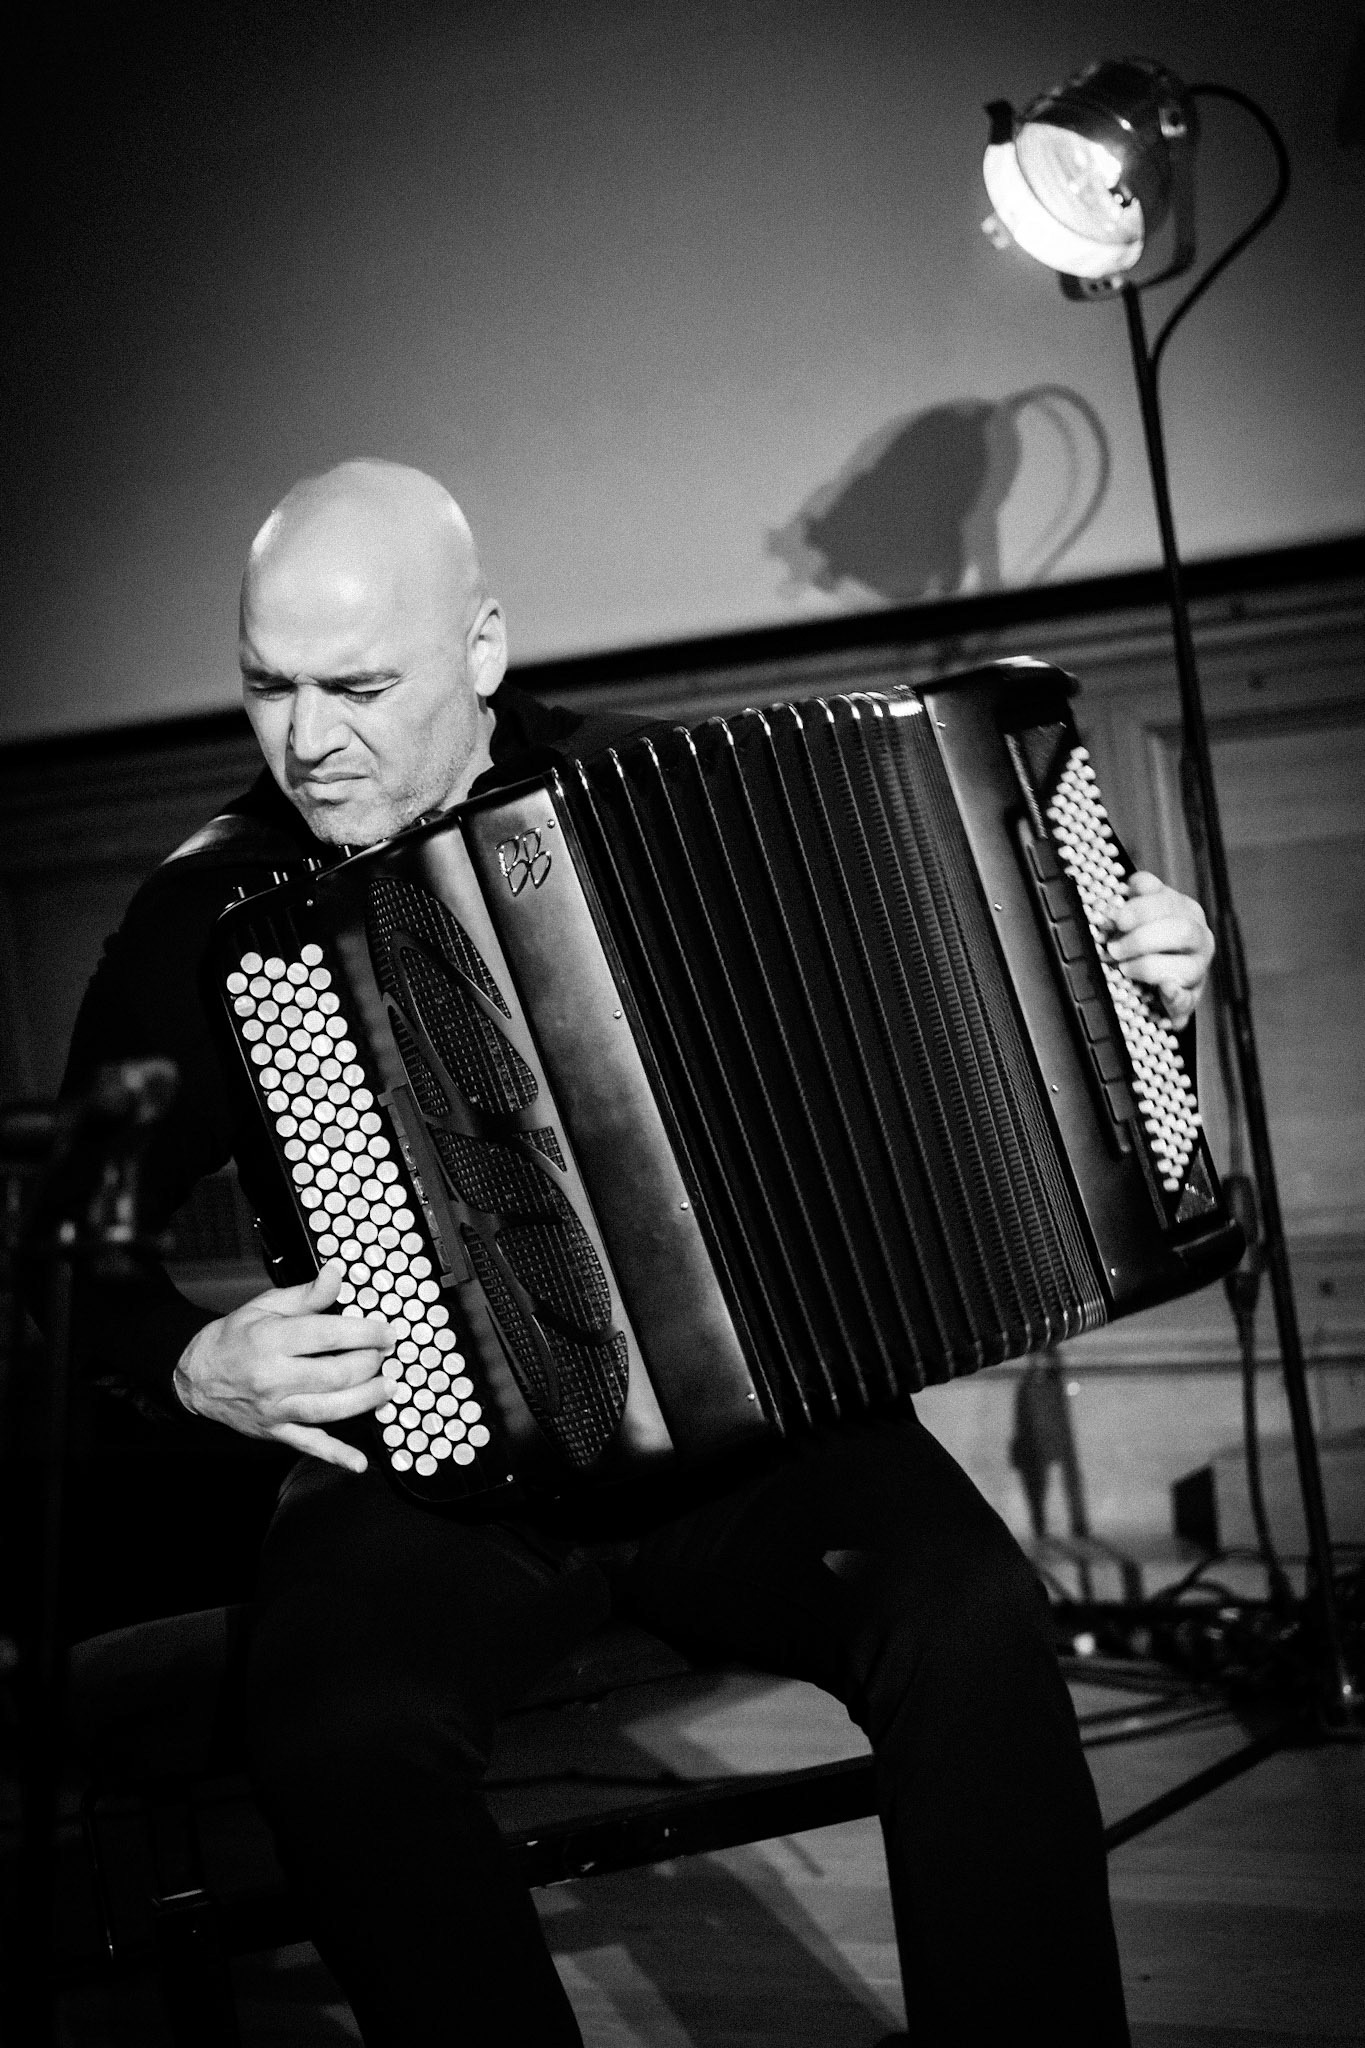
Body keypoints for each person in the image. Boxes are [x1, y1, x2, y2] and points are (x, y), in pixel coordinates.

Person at [65, 459, 1215, 2046]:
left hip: (754, 1442)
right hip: (438, 1475)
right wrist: (190, 1358)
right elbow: (68, 1249)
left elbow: (953, 1006)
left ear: (480, 649)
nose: (308, 739)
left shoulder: (671, 801)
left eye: (359, 684)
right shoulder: (208, 918)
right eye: (267, 687)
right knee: (336, 1729)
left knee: (972, 1624)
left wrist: (1127, 976)